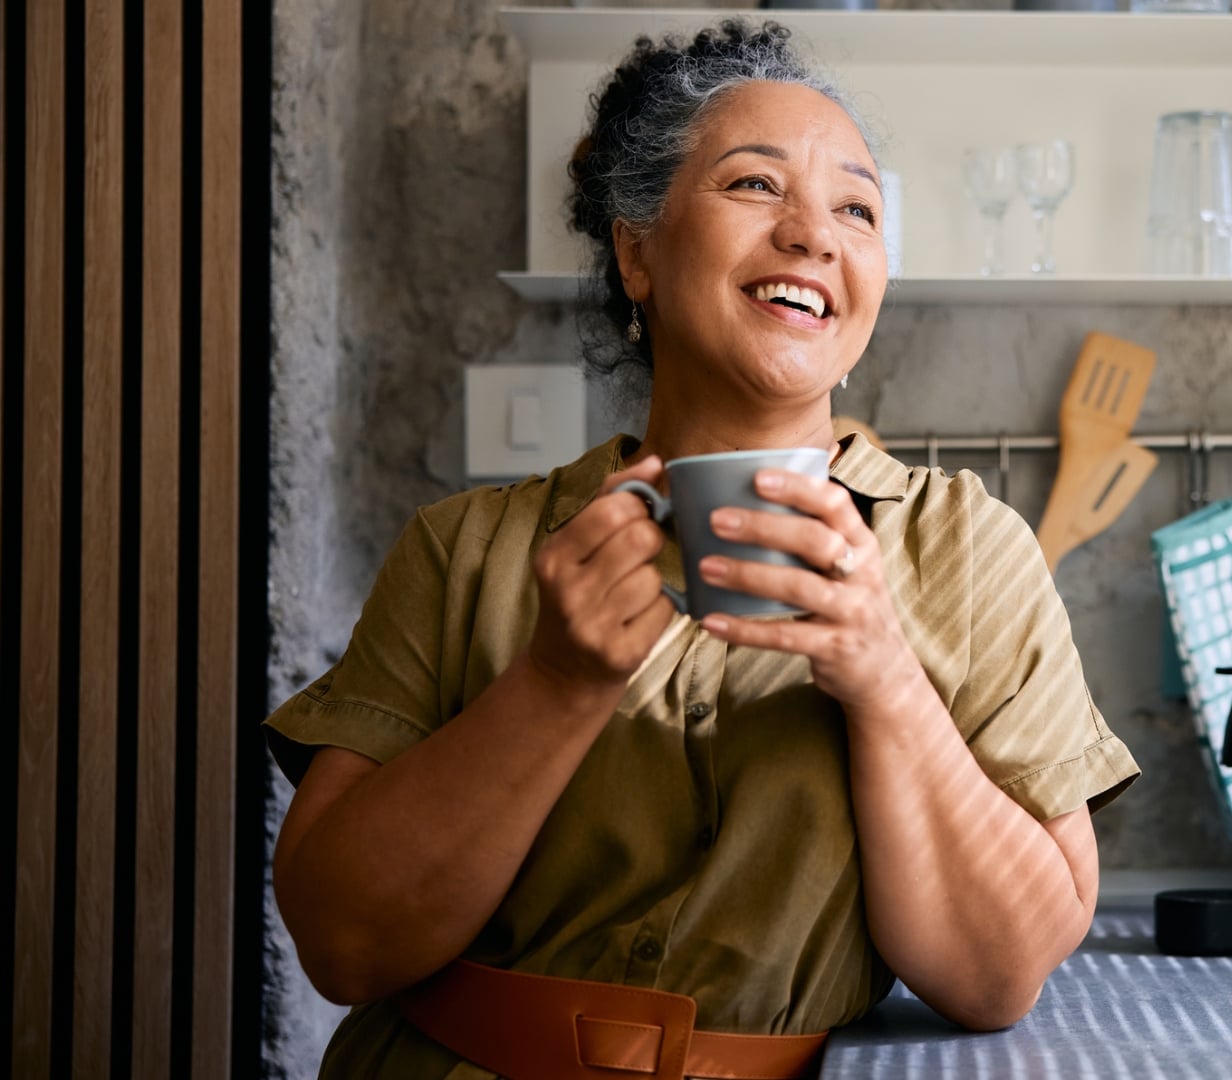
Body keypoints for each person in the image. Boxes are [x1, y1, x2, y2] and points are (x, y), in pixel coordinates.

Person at [266, 20, 1138, 1079]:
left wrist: (887, 682)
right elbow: (343, 944)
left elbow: (1000, 976)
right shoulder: (464, 551)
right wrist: (555, 680)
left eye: (857, 208)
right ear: (636, 249)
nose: (815, 236)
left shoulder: (969, 550)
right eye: (755, 187)